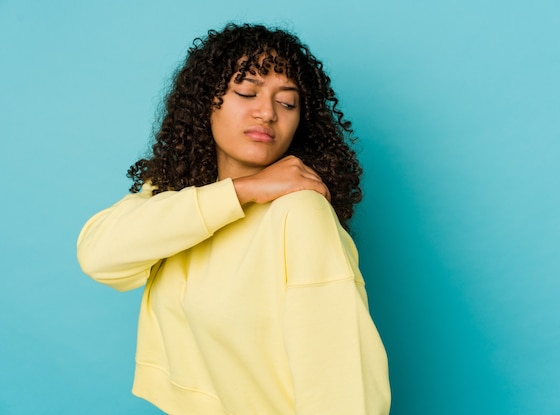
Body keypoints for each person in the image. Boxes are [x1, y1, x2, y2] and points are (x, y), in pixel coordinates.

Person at [77, 23, 390, 414]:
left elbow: (343, 384)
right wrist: (242, 191)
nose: (267, 113)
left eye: (287, 103)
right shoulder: (176, 196)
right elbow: (99, 257)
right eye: (246, 92)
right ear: (206, 101)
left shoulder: (300, 211)